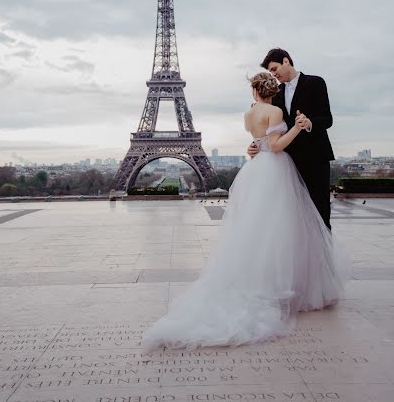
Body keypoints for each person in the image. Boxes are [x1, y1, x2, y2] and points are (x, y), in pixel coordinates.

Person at [142, 72, 348, 350]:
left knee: (256, 230)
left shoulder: (249, 114)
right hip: (275, 170)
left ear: (255, 91)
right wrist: (297, 128)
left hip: (255, 171)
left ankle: (260, 281)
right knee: (282, 229)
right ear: (272, 90)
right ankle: (284, 283)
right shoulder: (275, 110)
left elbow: (260, 143)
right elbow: (275, 146)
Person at [248, 48, 334, 230]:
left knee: (320, 214)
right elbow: (269, 129)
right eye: (270, 71)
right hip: (288, 163)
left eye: (274, 68)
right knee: (293, 219)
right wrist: (255, 145)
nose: (273, 74)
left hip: (315, 160)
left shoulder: (315, 83)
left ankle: (323, 259)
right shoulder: (276, 94)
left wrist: (308, 122)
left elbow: (327, 119)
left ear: (286, 61)